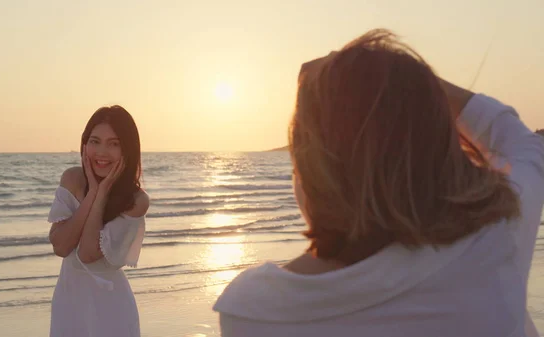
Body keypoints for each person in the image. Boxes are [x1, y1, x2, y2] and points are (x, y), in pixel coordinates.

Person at [213, 29, 544, 336]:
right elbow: (516, 140)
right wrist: (404, 86)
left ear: (311, 165)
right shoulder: (498, 234)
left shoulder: (253, 310)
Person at [47, 105, 149, 337]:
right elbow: (61, 246)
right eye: (95, 141)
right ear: (84, 144)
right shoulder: (72, 179)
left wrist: (101, 194)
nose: (102, 152)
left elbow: (87, 254)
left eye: (114, 144)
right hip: (69, 303)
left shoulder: (137, 201)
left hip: (111, 309)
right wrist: (92, 191)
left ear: (127, 150)